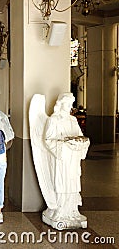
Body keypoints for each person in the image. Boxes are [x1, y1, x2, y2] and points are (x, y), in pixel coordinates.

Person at [44, 93, 89, 225]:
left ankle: (72, 210)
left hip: (73, 158)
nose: (69, 107)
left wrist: (82, 143)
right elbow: (48, 140)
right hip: (61, 158)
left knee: (73, 182)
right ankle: (60, 210)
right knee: (62, 183)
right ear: (61, 104)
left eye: (70, 104)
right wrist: (64, 144)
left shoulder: (73, 120)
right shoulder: (53, 120)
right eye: (67, 104)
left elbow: (79, 136)